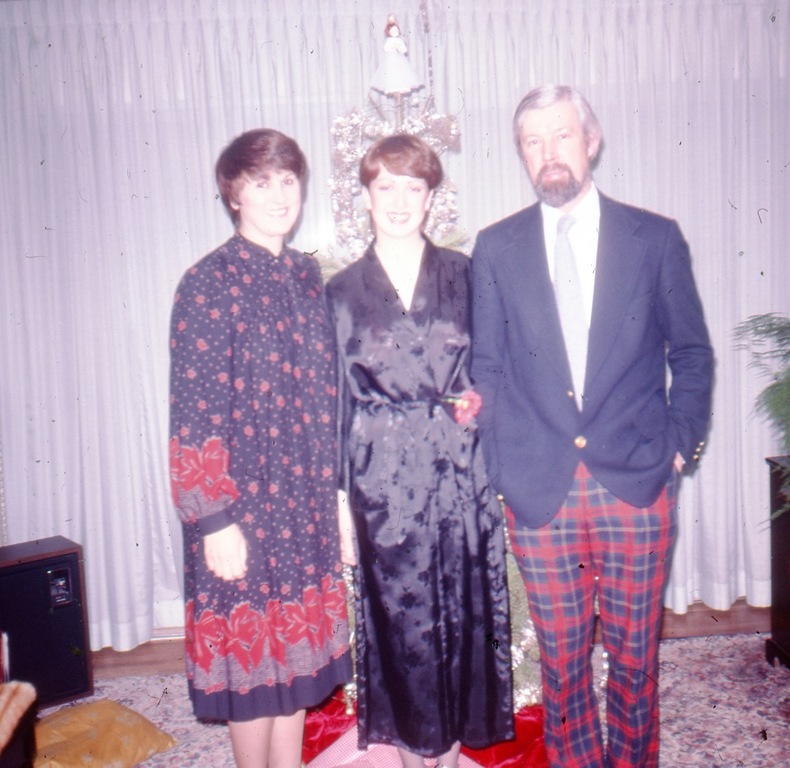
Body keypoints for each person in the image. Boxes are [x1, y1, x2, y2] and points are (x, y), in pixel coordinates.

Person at [471, 85, 714, 768]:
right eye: (533, 142)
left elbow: (691, 353)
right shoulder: (496, 247)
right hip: (540, 489)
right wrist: (500, 467)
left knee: (635, 658)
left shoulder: (654, 239)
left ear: (592, 141)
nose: (548, 153)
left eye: (562, 136)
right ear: (522, 155)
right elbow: (486, 368)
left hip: (635, 480)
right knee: (563, 663)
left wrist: (679, 445)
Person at [326, 134, 514, 768]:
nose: (400, 200)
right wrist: (339, 504)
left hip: (461, 470)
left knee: (462, 623)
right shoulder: (340, 292)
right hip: (380, 480)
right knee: (403, 632)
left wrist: (482, 412)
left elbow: (498, 368)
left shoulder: (466, 274)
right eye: (386, 186)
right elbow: (336, 404)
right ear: (367, 195)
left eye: (415, 186)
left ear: (432, 196)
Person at [168, 128, 352, 768]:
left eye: (288, 180)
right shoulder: (207, 282)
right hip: (240, 510)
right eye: (261, 182)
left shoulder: (306, 276)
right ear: (234, 195)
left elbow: (328, 399)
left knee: (294, 670)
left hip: (304, 503)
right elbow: (193, 413)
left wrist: (337, 499)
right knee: (252, 677)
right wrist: (213, 519)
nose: (279, 195)